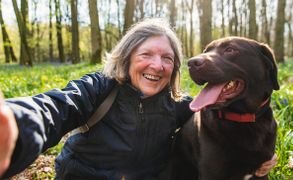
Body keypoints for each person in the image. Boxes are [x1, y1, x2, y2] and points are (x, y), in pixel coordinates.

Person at [0, 18, 277, 179]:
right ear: (127, 56)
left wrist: (258, 159)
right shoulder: (98, 89)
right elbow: (54, 108)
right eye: (146, 55)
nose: (157, 66)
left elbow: (228, 123)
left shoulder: (181, 105)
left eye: (167, 58)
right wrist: (16, 122)